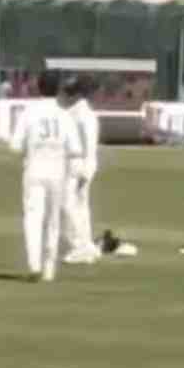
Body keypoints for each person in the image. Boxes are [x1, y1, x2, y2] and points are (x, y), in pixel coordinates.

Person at [10, 71, 84, 282]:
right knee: (53, 221)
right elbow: (75, 149)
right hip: (57, 171)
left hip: (34, 169)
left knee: (33, 218)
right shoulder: (65, 115)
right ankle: (49, 268)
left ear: (38, 87)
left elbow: (15, 146)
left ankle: (34, 264)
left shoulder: (29, 113)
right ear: (58, 90)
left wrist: (29, 147)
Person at [62, 76, 102, 265]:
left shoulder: (78, 114)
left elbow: (86, 146)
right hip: (84, 165)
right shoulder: (84, 113)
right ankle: (87, 245)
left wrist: (84, 172)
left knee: (69, 207)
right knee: (81, 207)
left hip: (78, 166)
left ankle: (79, 247)